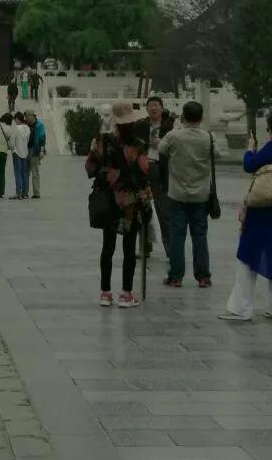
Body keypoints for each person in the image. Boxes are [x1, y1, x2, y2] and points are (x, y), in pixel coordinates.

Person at [221, 108, 272, 321]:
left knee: (248, 256)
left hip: (262, 210)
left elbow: (250, 166)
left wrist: (250, 149)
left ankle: (241, 308)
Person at [86, 99, 153, 307]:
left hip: (108, 200)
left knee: (108, 247)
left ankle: (105, 293)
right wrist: (146, 199)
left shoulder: (102, 141)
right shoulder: (139, 145)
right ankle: (126, 293)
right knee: (129, 247)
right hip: (130, 202)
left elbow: (89, 168)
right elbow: (143, 173)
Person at [158, 101, 215, 289]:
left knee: (177, 236)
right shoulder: (208, 137)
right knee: (200, 236)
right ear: (201, 118)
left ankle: (175, 276)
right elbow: (218, 155)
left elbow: (160, 150)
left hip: (177, 194)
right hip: (201, 195)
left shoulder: (173, 136)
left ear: (183, 116)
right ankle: (203, 277)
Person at [144, 95, 175, 255]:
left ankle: (170, 248)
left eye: (156, 105)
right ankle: (145, 246)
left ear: (162, 108)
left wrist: (161, 142)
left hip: (161, 169)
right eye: (150, 105)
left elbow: (176, 148)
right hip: (143, 168)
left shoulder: (170, 126)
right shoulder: (141, 125)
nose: (153, 108)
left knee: (163, 210)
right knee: (142, 209)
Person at [26, 109, 47, 198]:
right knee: (26, 172)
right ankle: (25, 192)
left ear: (32, 116)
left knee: (35, 172)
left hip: (35, 151)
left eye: (27, 116)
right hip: (26, 151)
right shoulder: (26, 125)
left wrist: (41, 151)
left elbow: (42, 138)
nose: (26, 118)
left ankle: (36, 193)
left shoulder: (39, 125)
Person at [11, 111, 31, 199]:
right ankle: (24, 193)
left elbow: (12, 143)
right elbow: (27, 140)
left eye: (15, 120)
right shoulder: (27, 128)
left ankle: (18, 193)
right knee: (24, 173)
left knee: (17, 173)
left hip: (17, 152)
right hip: (25, 152)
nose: (15, 122)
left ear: (18, 119)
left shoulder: (16, 128)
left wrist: (12, 148)